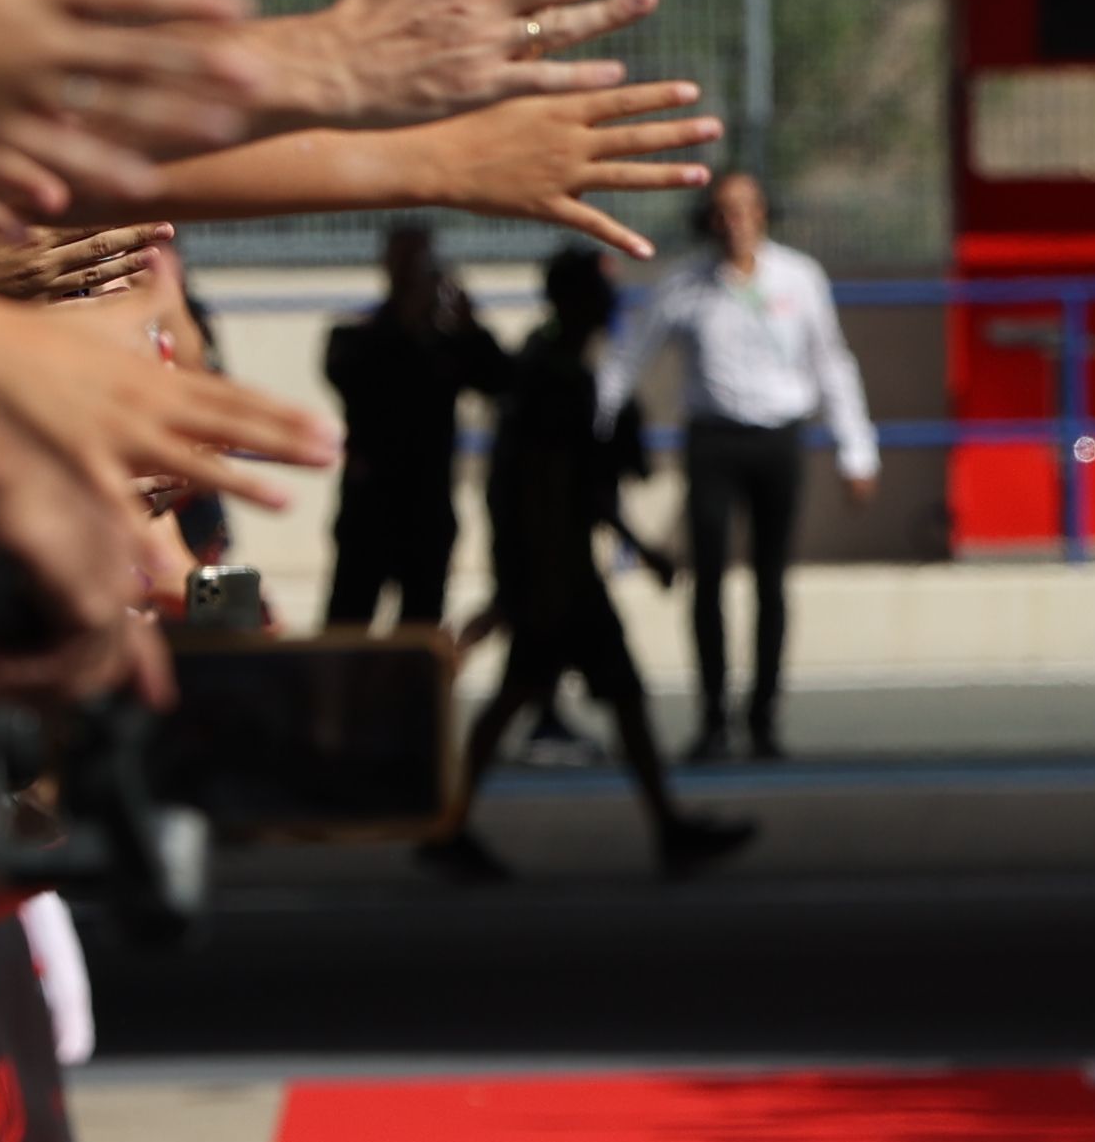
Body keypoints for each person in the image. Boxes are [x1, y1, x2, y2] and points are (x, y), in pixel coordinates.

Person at [425, 250, 758, 884]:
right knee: (544, 698)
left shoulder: (547, 367)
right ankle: (449, 827)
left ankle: (663, 827)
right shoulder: (559, 380)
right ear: (575, 301)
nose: (613, 307)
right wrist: (539, 580)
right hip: (561, 577)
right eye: (602, 295)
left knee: (576, 698)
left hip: (555, 571)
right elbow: (567, 489)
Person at [605, 171, 878, 762]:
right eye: (724, 212)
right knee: (708, 579)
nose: (736, 223)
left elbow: (831, 363)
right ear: (708, 219)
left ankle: (763, 718)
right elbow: (629, 360)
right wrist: (595, 424)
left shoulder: (799, 278)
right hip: (713, 441)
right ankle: (711, 719)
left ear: (764, 215)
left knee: (771, 582)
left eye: (747, 210)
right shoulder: (685, 284)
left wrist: (856, 449)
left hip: (778, 439)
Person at [323, 219, 503, 628]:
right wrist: (409, 319)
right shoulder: (357, 339)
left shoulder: (447, 344)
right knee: (346, 632)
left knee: (419, 638)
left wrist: (469, 324)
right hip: (369, 513)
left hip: (427, 512)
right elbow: (354, 378)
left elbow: (500, 380)